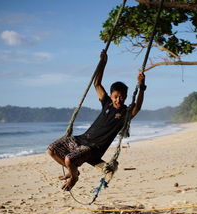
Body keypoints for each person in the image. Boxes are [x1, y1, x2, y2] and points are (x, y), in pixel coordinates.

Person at [47, 50, 146, 191]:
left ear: (125, 97)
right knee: (51, 150)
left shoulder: (125, 113)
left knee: (69, 159)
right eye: (116, 96)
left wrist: (141, 87)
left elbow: (138, 106)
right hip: (81, 139)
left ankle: (74, 177)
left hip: (93, 148)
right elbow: (97, 83)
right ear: (111, 95)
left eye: (122, 97)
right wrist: (103, 63)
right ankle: (74, 170)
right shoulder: (106, 103)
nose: (118, 100)